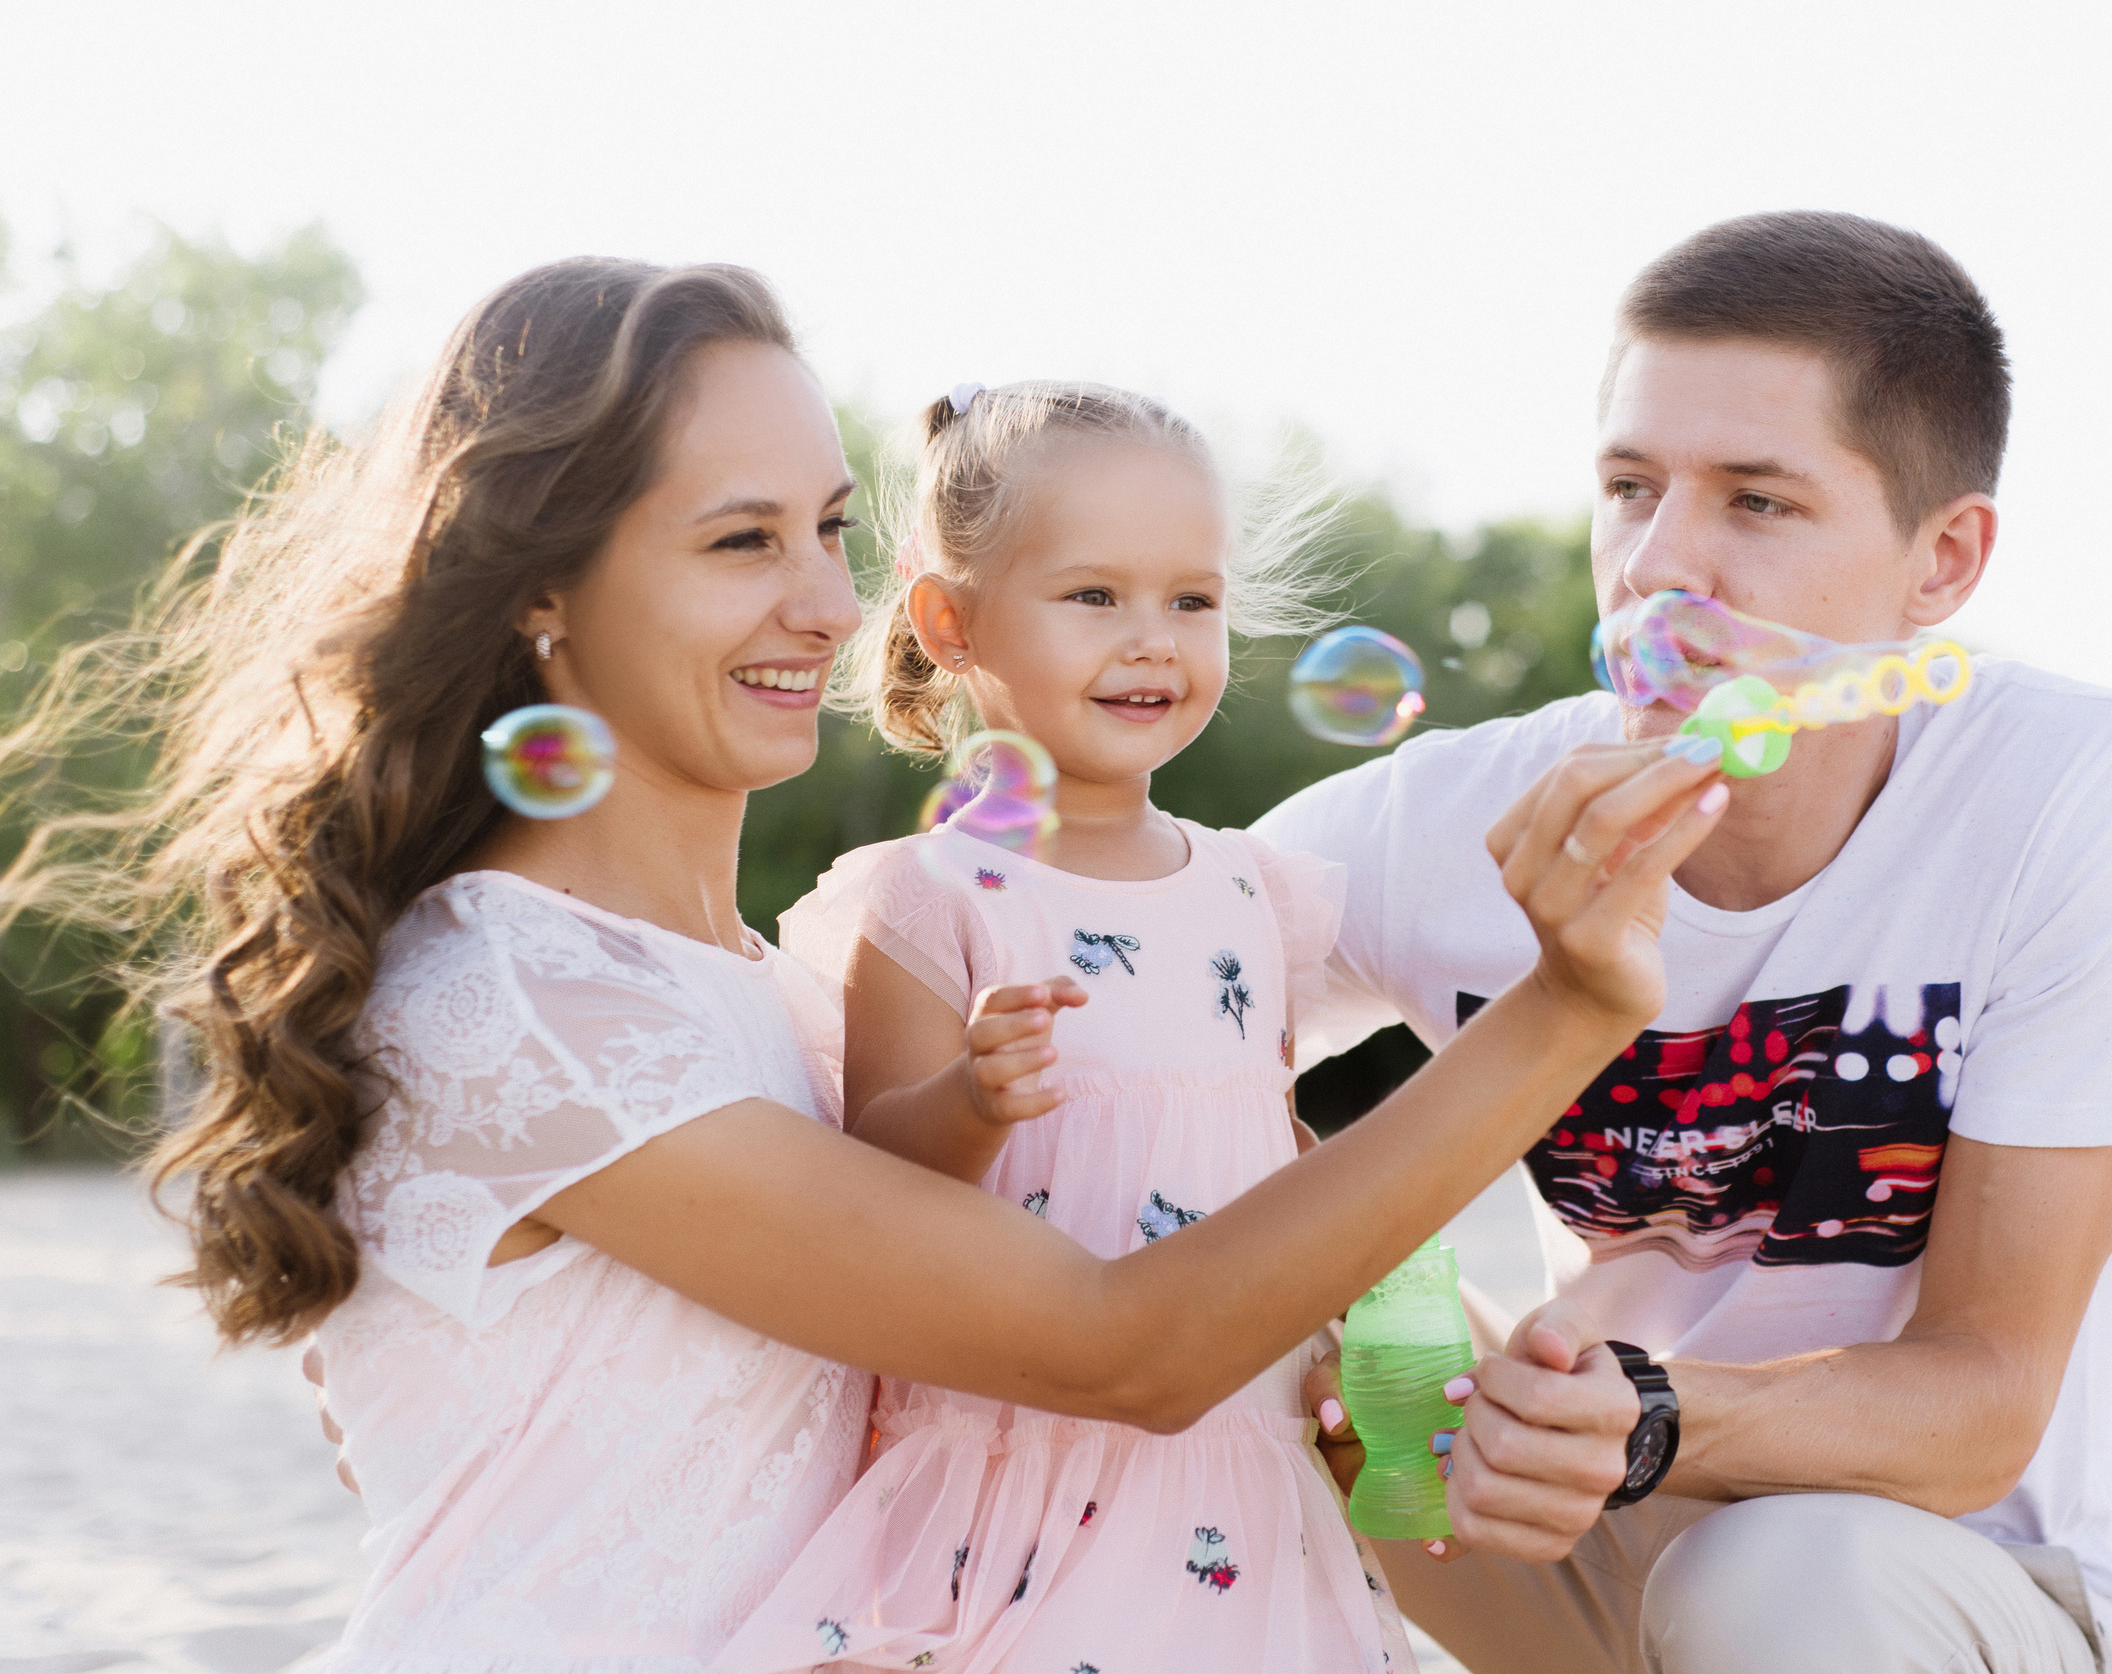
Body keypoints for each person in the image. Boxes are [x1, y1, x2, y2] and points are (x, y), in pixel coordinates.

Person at [0, 258, 1726, 1670]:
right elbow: (1118, 1346)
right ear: (542, 586)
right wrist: (1566, 1010)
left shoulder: (756, 985)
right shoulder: (517, 995)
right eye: (740, 539)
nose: (830, 605)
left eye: (831, 529)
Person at [1257, 212, 2112, 1674]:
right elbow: (1107, 995)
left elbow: (1988, 1395)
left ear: (1942, 560)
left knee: (1770, 1574)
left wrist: (1649, 1413)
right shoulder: (1446, 812)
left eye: (1756, 503)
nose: (1655, 565)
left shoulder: (2076, 789)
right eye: (1629, 488)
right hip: (1568, 1534)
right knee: (1215, 1313)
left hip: (1920, 1577)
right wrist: (1382, 1300)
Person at [720, 381, 1449, 1670]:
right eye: (1094, 596)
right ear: (951, 622)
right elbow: (875, 1199)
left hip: (1240, 1461)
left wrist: (1348, 1330)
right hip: (1025, 1472)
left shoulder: (1250, 890)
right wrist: (973, 1100)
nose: (1153, 640)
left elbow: (1267, 1138)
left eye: (1194, 600)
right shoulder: (930, 897)